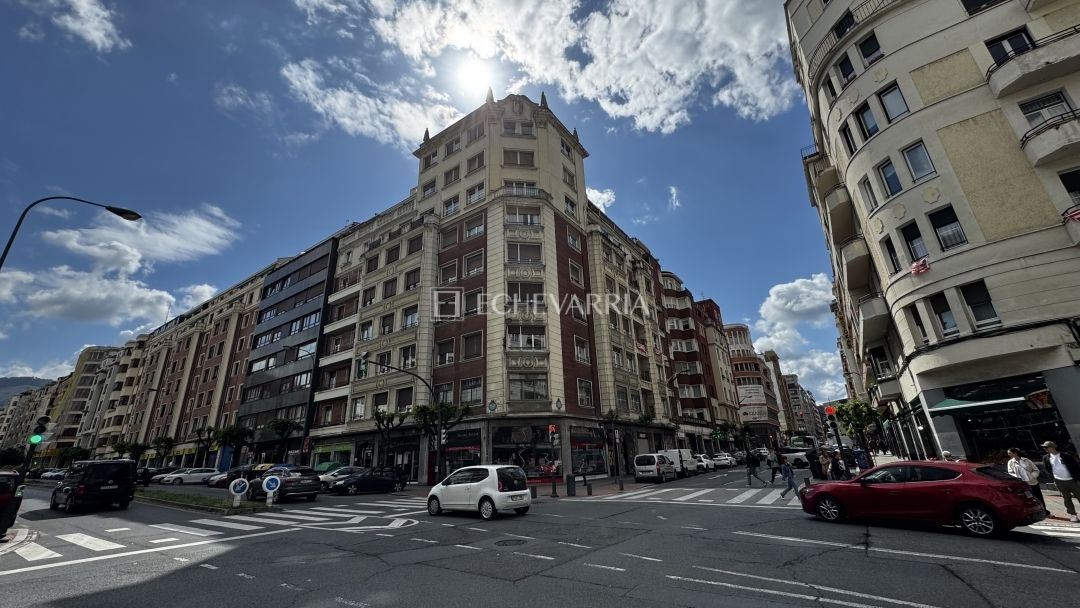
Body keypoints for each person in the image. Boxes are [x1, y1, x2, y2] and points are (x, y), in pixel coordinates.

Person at [1042, 441, 1080, 522]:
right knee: (1066, 498)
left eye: (1046, 447)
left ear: (1053, 447)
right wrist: (1054, 479)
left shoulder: (1066, 456)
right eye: (1044, 447)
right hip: (1059, 481)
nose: (1045, 449)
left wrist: (1077, 478)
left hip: (1072, 480)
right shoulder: (1046, 458)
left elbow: (1076, 467)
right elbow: (1047, 469)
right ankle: (1073, 514)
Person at [1008, 448, 1048, 517]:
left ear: (1015, 453)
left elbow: (1036, 470)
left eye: (1010, 453)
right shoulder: (1010, 462)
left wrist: (1032, 476)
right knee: (1028, 500)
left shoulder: (1026, 460)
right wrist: (1017, 477)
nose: (1009, 454)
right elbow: (1010, 472)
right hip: (1023, 485)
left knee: (1039, 498)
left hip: (1033, 483)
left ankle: (1045, 512)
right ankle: (1033, 513)